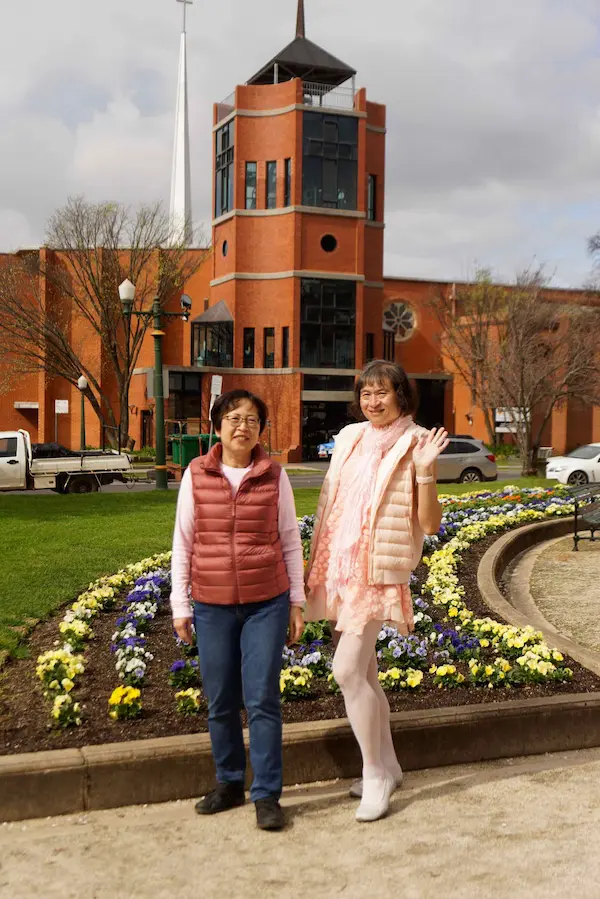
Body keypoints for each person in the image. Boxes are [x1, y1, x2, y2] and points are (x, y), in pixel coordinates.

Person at [305, 360, 448, 823]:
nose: (373, 401)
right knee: (366, 674)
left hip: (375, 572)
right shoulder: (350, 437)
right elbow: (334, 500)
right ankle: (388, 765)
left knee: (347, 670)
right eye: (366, 393)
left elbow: (429, 524)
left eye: (382, 392)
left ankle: (374, 774)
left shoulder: (417, 442)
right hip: (341, 566)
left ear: (402, 395)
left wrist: (425, 472)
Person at [170, 389, 305, 832]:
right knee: (221, 700)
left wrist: (296, 602)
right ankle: (229, 784)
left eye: (250, 419)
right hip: (212, 605)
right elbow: (183, 543)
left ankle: (267, 795)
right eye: (233, 417)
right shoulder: (196, 475)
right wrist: (180, 604)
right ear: (217, 426)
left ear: (260, 430)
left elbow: (289, 539)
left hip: (266, 603)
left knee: (262, 698)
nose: (241, 426)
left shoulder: (274, 476)